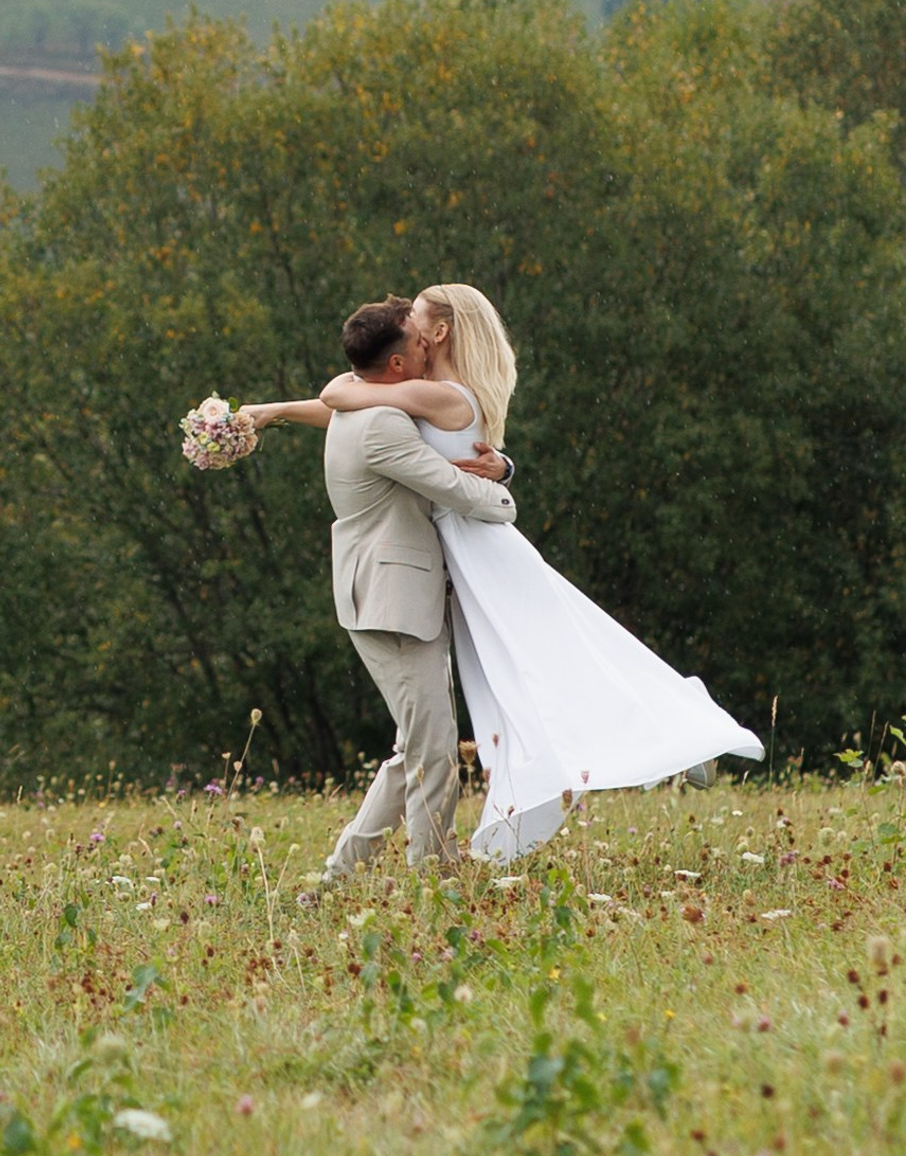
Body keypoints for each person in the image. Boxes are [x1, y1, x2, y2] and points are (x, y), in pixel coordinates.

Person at [244, 284, 763, 861]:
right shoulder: (423, 394)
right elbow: (355, 401)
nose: (408, 322)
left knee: (554, 661)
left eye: (415, 316)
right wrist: (275, 413)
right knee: (547, 663)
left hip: (479, 542)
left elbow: (343, 393)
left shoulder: (437, 394)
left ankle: (676, 734)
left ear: (437, 334)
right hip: (463, 550)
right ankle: (670, 733)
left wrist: (503, 481)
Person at [258, 297, 519, 878]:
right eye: (417, 339)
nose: (427, 342)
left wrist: (269, 410)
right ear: (397, 366)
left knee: (416, 749)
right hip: (391, 600)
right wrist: (505, 490)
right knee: (431, 750)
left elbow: (337, 398)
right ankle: (434, 872)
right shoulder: (381, 426)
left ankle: (342, 873)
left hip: (388, 592)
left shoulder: (367, 402)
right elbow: (452, 486)